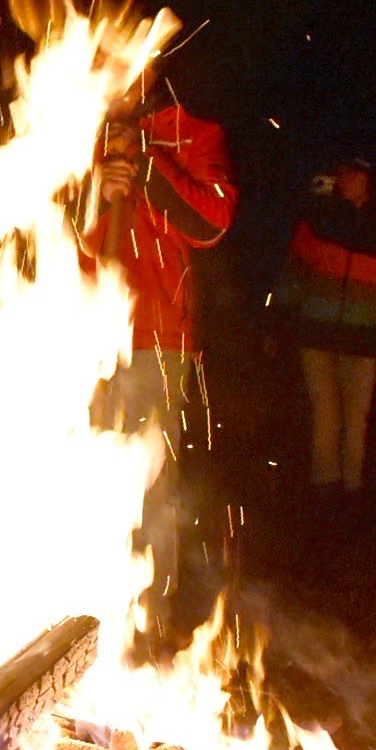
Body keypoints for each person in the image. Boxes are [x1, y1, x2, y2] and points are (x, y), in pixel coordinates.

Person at [91, 76, 234, 639]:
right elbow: (37, 222)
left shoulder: (188, 134)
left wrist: (146, 172)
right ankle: (79, 612)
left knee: (150, 482)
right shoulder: (70, 110)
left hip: (156, 337)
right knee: (81, 469)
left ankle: (148, 622)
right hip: (75, 328)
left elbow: (212, 223)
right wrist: (92, 192)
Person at [275, 155, 376, 500]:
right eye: (342, 171)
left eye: (354, 173)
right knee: (325, 416)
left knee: (356, 420)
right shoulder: (320, 218)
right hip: (317, 334)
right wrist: (277, 323)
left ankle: (352, 490)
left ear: (371, 180)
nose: (344, 177)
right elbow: (294, 274)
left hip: (364, 338)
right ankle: (326, 490)